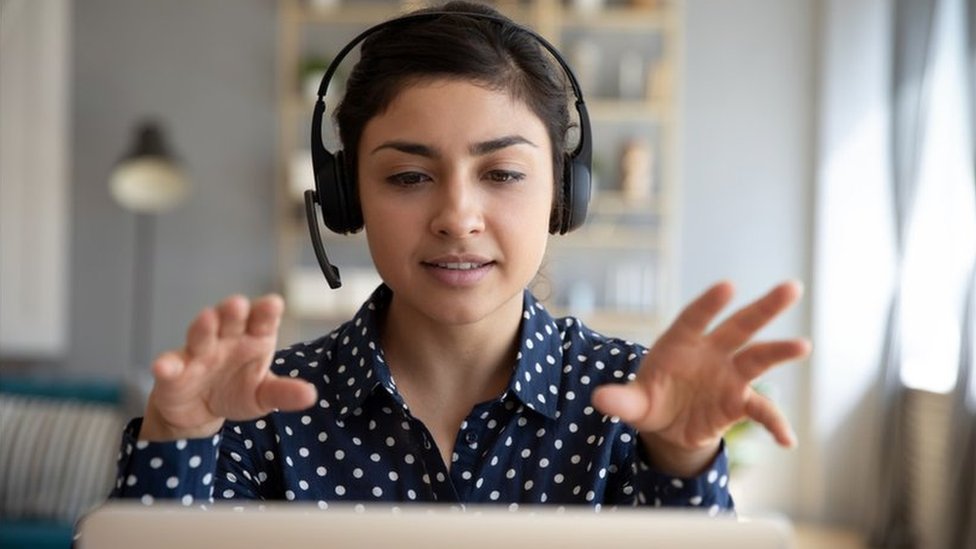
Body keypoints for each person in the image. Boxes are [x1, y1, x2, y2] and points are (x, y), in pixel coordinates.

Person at [110, 1, 809, 512]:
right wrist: (178, 438)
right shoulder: (258, 407)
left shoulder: (635, 403)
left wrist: (681, 460)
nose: (456, 217)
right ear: (348, 197)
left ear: (565, 194)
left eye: (502, 173)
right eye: (408, 176)